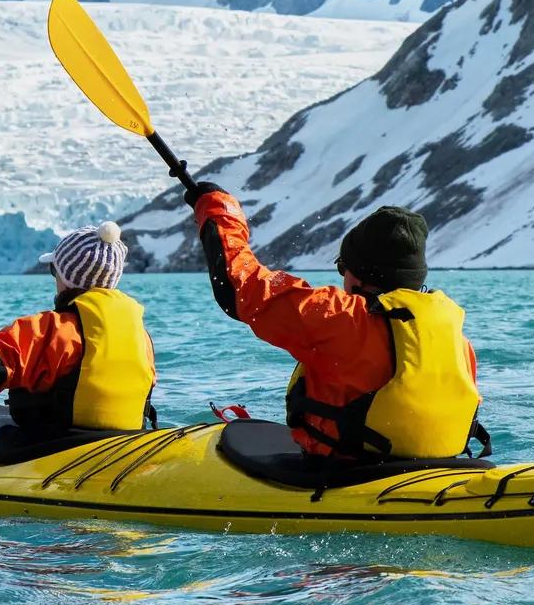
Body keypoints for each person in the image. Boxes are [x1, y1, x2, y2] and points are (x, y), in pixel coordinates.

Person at [187, 188, 484, 460]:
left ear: (360, 277)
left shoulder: (343, 319)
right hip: (442, 466)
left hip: (344, 475)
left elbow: (239, 286)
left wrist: (219, 210)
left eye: (343, 267)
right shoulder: (455, 338)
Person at [0, 223, 157, 436]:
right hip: (120, 444)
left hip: (51, 448)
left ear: (67, 277)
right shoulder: (141, 336)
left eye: (55, 270)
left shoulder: (49, 330)